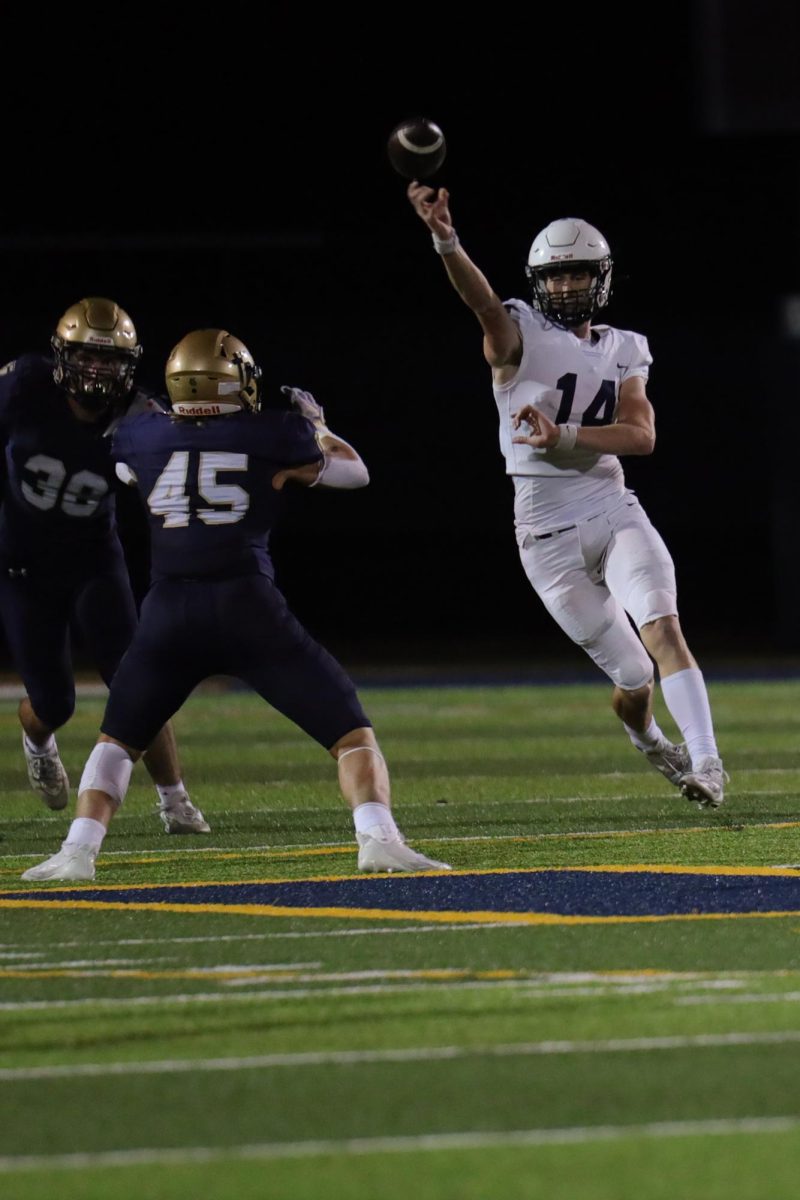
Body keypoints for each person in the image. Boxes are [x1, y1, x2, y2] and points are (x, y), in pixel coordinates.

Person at [21, 328, 452, 882]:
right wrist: (316, 426)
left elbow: (129, 473)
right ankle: (378, 839)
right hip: (248, 608)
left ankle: (77, 852)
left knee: (117, 741)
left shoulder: (141, 434)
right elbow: (353, 471)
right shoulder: (275, 433)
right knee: (350, 733)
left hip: (169, 613)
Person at [405, 183, 727, 808]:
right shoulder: (517, 336)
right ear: (536, 283)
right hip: (545, 534)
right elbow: (482, 307)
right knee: (633, 679)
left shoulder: (625, 347)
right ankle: (652, 742)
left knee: (664, 627)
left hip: (611, 506)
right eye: (554, 277)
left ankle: (710, 763)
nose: (566, 288)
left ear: (600, 278)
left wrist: (566, 435)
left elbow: (641, 435)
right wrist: (447, 240)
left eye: (578, 274)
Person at [0, 297, 209, 833]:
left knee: (137, 680)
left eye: (110, 360)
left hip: (94, 559)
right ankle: (38, 738)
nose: (97, 370)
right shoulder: (22, 386)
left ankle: (175, 800)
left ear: (129, 366)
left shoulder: (141, 416)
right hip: (23, 565)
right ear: (60, 357)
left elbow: (188, 472)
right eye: (86, 357)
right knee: (53, 701)